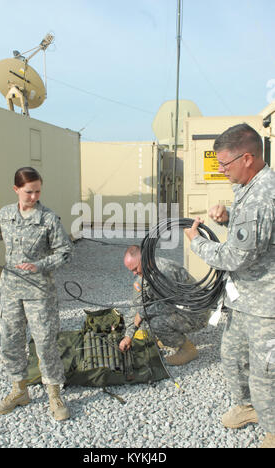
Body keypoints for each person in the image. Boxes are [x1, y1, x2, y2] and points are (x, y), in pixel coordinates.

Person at [184, 123, 275, 449]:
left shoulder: (262, 198)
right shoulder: (251, 191)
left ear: (247, 158)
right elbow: (254, 231)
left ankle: (273, 430)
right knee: (233, 356)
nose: (221, 170)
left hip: (266, 306)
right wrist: (227, 218)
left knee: (266, 373)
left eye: (225, 164)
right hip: (244, 298)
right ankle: (247, 408)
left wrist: (197, 244)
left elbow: (237, 255)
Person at [0, 167, 73, 422]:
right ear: (16, 189)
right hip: (10, 292)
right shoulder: (5, 214)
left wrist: (40, 265)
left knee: (45, 343)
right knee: (10, 341)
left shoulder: (49, 218)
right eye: (29, 191)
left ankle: (54, 394)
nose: (34, 196)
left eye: (38, 191)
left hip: (40, 292)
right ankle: (19, 391)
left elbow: (65, 252)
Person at [119, 245, 209, 366]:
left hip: (195, 313)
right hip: (178, 309)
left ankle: (187, 350)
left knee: (155, 323)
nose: (135, 273)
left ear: (144, 259)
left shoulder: (166, 272)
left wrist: (142, 314)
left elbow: (168, 306)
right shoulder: (142, 276)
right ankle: (168, 337)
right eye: (132, 271)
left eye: (136, 268)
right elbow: (136, 306)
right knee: (145, 317)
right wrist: (128, 336)